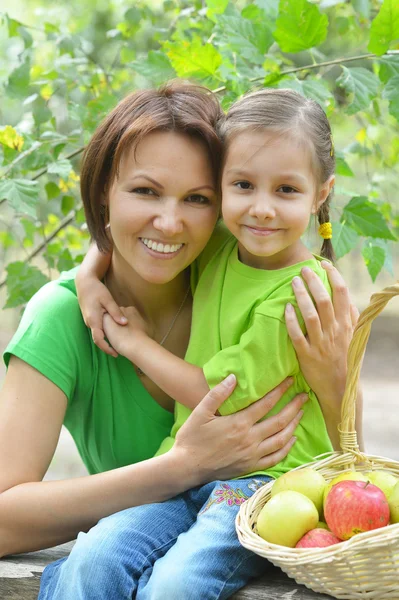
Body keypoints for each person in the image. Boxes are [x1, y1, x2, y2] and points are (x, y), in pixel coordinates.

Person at [37, 86, 362, 600]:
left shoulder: (302, 289)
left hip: (260, 486)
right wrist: (89, 273)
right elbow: (147, 231)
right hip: (187, 470)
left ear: (322, 193)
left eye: (286, 190)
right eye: (242, 185)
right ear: (223, 188)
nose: (261, 209)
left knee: (177, 585)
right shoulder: (230, 245)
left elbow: (226, 393)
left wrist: (135, 342)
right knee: (95, 557)